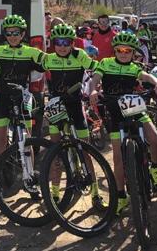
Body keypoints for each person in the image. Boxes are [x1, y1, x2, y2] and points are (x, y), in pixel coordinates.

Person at [89, 31, 157, 214]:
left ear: (133, 52)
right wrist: (93, 91)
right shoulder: (105, 63)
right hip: (115, 113)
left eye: (128, 50)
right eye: (120, 50)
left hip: (134, 108)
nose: (123, 53)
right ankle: (121, 196)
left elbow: (147, 77)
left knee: (155, 139)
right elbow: (96, 79)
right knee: (118, 159)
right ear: (115, 51)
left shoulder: (134, 67)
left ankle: (155, 170)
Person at [41, 24, 105, 208]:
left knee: (86, 152)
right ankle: (54, 193)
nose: (62, 46)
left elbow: (98, 69)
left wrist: (95, 88)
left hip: (75, 106)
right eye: (58, 42)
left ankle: (95, 193)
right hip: (56, 108)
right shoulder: (48, 59)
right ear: (53, 43)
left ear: (72, 43)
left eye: (66, 42)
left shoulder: (80, 56)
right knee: (55, 152)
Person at [0, 15, 44, 165]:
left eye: (16, 33)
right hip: (3, 98)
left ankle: (30, 176)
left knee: (27, 141)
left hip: (23, 99)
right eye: (8, 33)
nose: (12, 37)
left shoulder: (31, 52)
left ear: (22, 34)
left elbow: (50, 62)